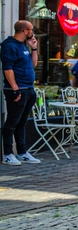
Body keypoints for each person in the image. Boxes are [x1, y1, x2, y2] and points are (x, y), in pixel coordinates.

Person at [2, 20, 41, 165]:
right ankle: (7, 154)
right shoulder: (9, 46)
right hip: (18, 90)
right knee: (12, 122)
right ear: (25, 31)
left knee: (22, 122)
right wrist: (15, 89)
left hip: (28, 89)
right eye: (31, 29)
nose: (33, 32)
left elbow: (33, 64)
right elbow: (7, 69)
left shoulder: (22, 45)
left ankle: (22, 152)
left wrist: (34, 48)